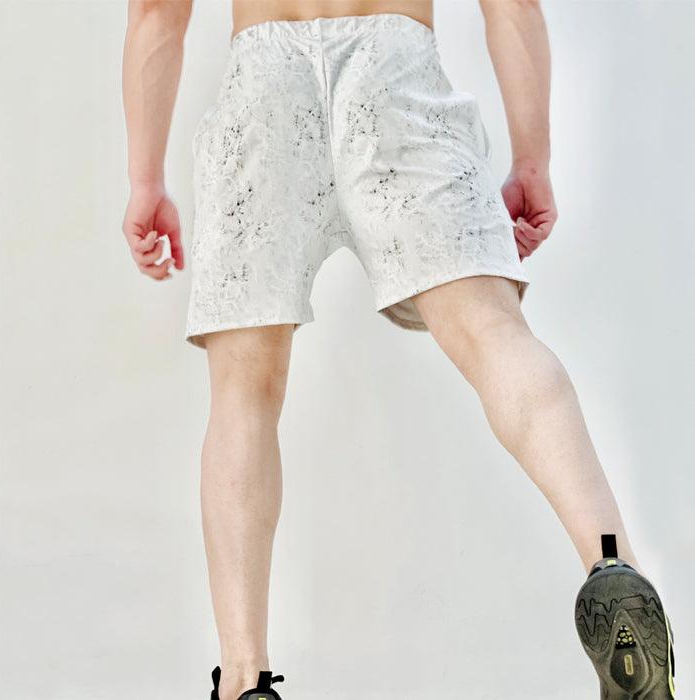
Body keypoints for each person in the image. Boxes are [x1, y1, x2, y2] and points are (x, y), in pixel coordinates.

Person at [121, 1, 676, 698]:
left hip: (261, 84)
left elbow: (156, 12)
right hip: (394, 68)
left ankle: (244, 678)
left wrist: (145, 181)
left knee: (243, 393)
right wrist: (532, 158)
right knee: (494, 335)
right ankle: (612, 566)